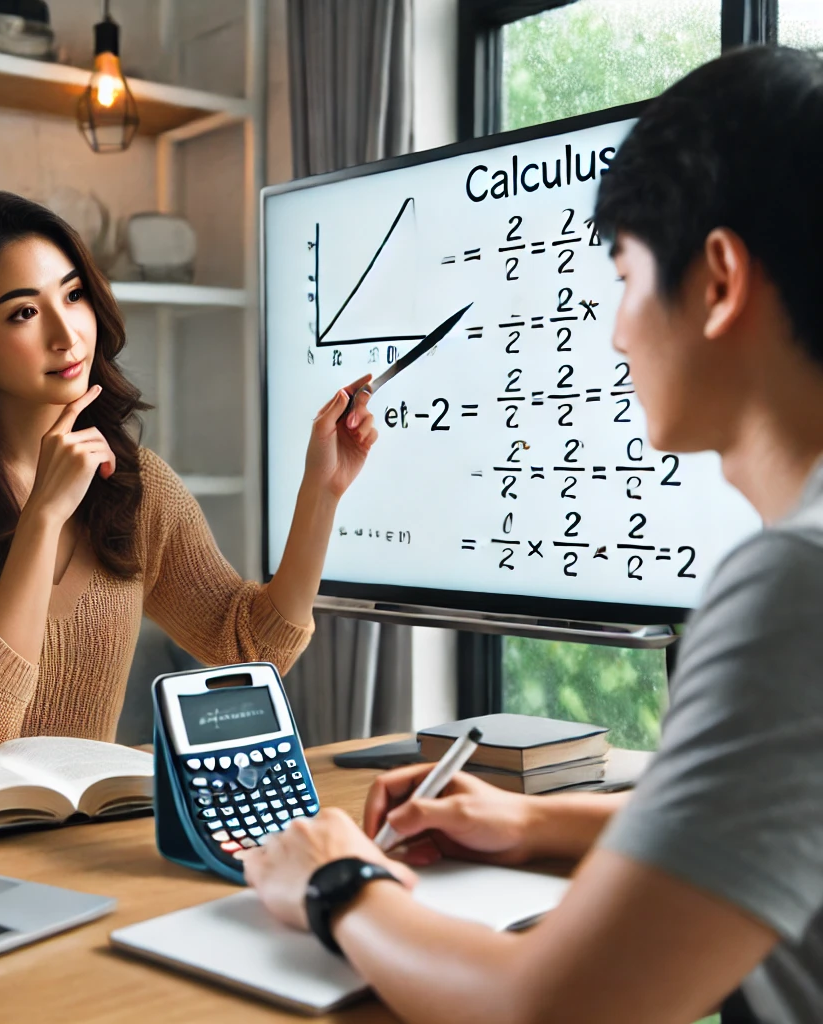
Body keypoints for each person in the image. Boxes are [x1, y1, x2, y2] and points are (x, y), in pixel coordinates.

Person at [240, 45, 823, 1024]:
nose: (612, 334)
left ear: (718, 280)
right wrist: (533, 820)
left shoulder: (793, 584)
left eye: (625, 276)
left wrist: (335, 883)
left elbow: (550, 1008)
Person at [0, 190, 377, 758]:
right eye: (24, 312)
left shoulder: (135, 484)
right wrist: (43, 517)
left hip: (66, 828)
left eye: (73, 295)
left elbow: (250, 648)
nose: (66, 333)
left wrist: (321, 492)